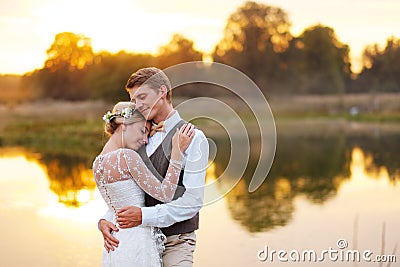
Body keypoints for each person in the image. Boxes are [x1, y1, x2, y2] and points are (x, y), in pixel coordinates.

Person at [99, 67, 209, 266]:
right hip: (139, 243)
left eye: (142, 97)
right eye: (134, 100)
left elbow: (193, 202)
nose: (138, 105)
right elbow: (124, 191)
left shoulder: (194, 138)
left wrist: (143, 216)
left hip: (176, 242)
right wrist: (105, 220)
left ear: (162, 92)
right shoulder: (136, 138)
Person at [93, 101, 195, 267]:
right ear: (124, 124)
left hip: (117, 243)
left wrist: (102, 222)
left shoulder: (97, 163)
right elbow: (165, 194)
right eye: (143, 131)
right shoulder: (127, 157)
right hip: (138, 240)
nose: (145, 139)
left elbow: (116, 205)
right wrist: (177, 152)